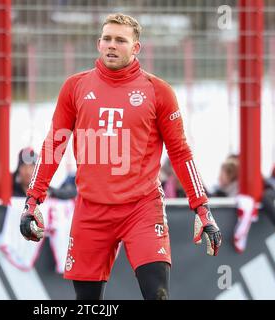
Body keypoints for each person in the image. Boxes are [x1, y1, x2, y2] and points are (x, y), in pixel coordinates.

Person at [19, 13, 222, 300]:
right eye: (107, 39)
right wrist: (33, 200)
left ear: (136, 48)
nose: (112, 45)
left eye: (120, 40)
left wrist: (202, 209)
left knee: (158, 294)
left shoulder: (158, 91)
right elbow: (55, 145)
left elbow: (180, 153)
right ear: (98, 43)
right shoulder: (75, 87)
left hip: (142, 207)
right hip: (91, 209)